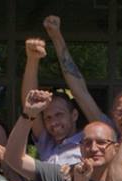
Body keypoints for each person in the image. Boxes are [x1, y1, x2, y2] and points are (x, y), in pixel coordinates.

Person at [42, 15, 122, 169]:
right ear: (112, 115)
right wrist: (56, 36)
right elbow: (79, 91)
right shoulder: (108, 130)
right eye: (120, 112)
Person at [5, 89, 116, 181]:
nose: (94, 148)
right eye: (87, 143)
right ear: (80, 148)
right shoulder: (63, 177)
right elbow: (13, 158)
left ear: (116, 148)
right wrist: (28, 114)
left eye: (101, 142)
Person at [20, 36, 83, 165]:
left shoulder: (89, 142)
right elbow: (28, 102)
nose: (53, 122)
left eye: (59, 114)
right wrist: (32, 60)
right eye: (47, 117)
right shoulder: (46, 143)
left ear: (74, 115)